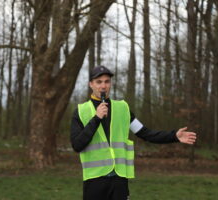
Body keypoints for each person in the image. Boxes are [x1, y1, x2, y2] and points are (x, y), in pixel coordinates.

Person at [70, 65, 197, 200]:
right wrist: (96, 118)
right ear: (91, 84)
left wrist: (174, 136)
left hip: (119, 180)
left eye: (107, 82)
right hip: (94, 181)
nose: (103, 86)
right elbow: (77, 145)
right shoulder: (80, 111)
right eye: (99, 82)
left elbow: (145, 133)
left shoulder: (122, 109)